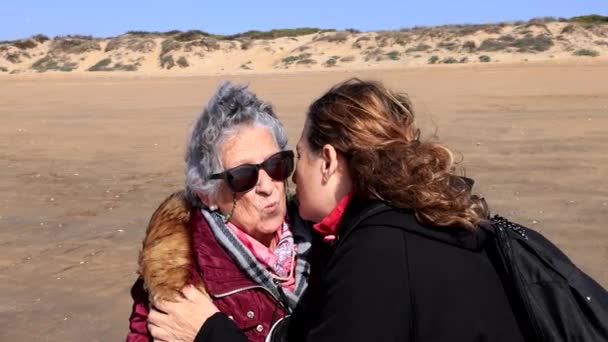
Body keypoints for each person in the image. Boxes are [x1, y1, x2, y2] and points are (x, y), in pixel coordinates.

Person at [146, 79, 530, 341]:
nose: (274, 185)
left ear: (327, 161)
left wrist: (212, 333)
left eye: (284, 163)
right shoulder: (180, 267)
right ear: (209, 192)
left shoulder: (370, 252)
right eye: (244, 176)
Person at [126, 82, 314, 342]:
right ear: (207, 193)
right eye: (243, 176)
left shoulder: (326, 238)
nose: (267, 186)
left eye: (276, 165)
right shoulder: (181, 278)